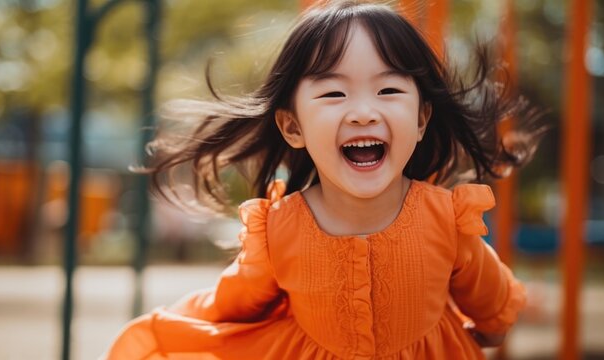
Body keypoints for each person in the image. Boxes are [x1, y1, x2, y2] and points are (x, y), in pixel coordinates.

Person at [103, 0, 543, 358]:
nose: (364, 111)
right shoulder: (278, 230)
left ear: (422, 118)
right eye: (334, 93)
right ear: (293, 127)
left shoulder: (447, 218)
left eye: (389, 90)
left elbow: (489, 294)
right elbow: (233, 302)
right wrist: (187, 328)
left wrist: (490, 326)